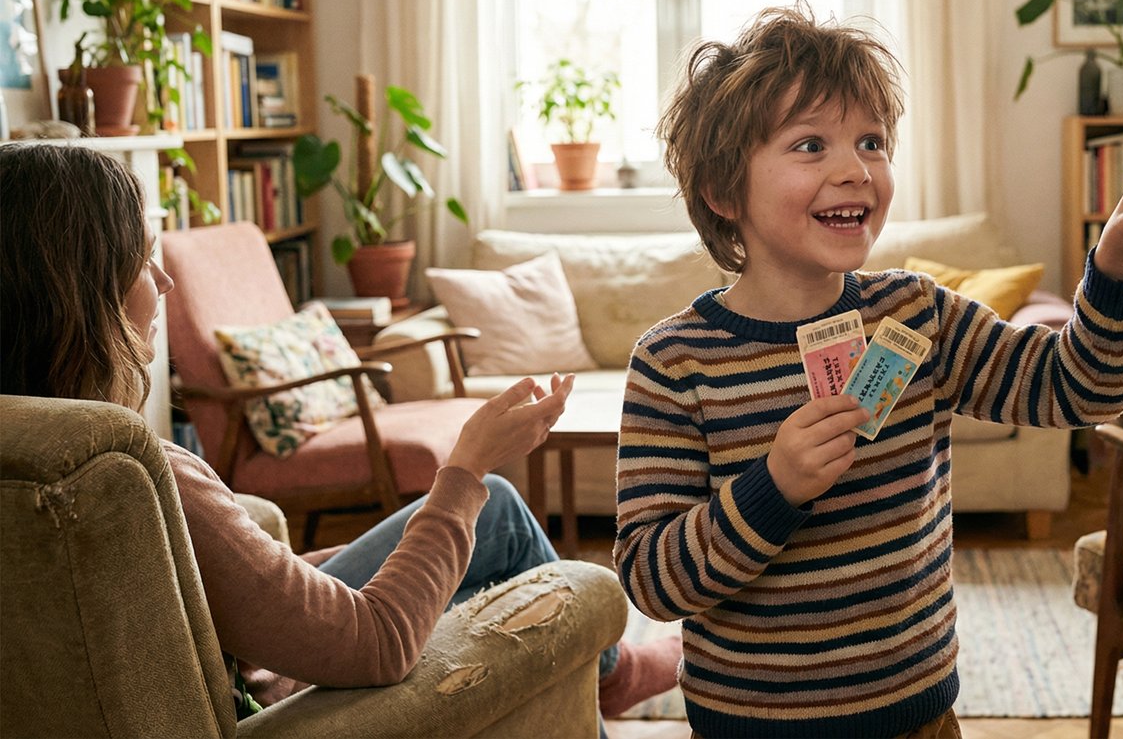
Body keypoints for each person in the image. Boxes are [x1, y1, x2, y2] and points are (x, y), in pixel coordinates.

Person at [613, 3, 1123, 738]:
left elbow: (1079, 387)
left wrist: (1119, 269)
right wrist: (771, 488)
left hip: (919, 715)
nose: (854, 169)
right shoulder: (673, 362)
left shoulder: (919, 314)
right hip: (751, 724)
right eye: (811, 144)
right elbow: (655, 580)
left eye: (872, 141)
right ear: (723, 190)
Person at [0, 143, 680, 722]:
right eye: (143, 260)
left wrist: (292, 572)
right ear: (80, 295)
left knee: (481, 512)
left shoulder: (34, 456)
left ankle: (612, 672)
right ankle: (613, 674)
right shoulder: (143, 474)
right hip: (276, 708)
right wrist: (465, 468)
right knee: (494, 508)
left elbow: (232, 586)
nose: (163, 281)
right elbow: (377, 641)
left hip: (237, 649)